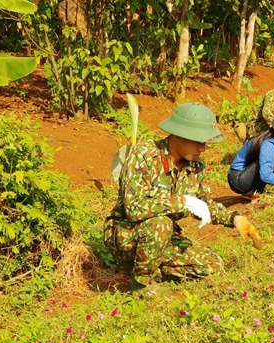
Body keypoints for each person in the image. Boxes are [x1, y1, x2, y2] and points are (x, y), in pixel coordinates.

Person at [105, 102, 262, 288]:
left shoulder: (195, 166)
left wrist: (234, 218)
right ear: (179, 136)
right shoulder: (144, 157)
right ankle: (140, 282)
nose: (202, 149)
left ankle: (152, 263)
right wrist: (183, 202)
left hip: (162, 236)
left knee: (213, 266)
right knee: (160, 224)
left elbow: (202, 202)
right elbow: (134, 209)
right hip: (127, 234)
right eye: (198, 142)